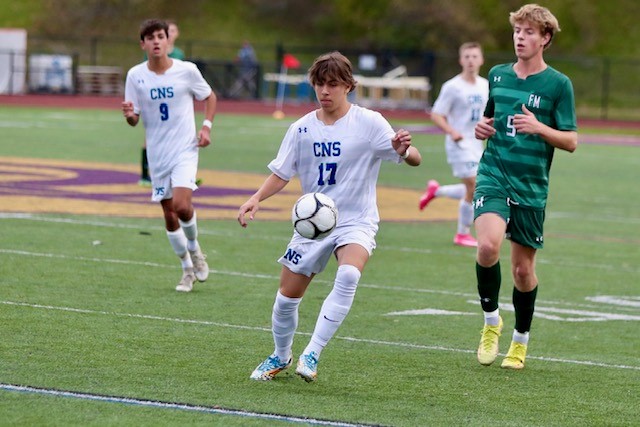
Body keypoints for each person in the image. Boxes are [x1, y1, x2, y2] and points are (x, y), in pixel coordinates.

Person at [237, 51, 421, 382]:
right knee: (284, 301)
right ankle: (280, 355)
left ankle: (313, 352)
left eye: (333, 84)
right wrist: (256, 197)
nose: (325, 91)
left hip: (355, 220)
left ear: (349, 86)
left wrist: (403, 148)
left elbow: (413, 158)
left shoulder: (369, 122)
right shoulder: (301, 128)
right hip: (313, 225)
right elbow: (282, 172)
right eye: (320, 84)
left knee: (349, 275)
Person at [473, 4, 577, 370]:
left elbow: (571, 141)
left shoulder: (558, 85)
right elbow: (487, 120)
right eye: (518, 30)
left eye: (530, 32)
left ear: (545, 39)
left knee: (522, 271)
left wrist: (540, 128)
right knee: (487, 246)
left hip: (531, 184)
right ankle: (490, 322)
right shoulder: (498, 76)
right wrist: (480, 129)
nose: (521, 37)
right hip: (494, 173)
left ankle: (520, 341)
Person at [122, 19, 217, 292]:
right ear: (143, 44)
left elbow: (210, 97)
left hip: (185, 149)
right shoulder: (135, 75)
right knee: (169, 214)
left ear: (167, 40)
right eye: (149, 37)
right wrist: (130, 116)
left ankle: (195, 249)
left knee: (182, 205)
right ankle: (187, 269)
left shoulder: (187, 71)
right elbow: (134, 117)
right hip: (157, 153)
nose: (155, 41)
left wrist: (206, 127)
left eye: (160, 36)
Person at [419, 42, 488, 248]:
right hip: (459, 144)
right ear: (460, 60)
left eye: (474, 56)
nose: (470, 60)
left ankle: (436, 191)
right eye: (466, 56)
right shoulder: (453, 86)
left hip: (478, 144)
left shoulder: (485, 85)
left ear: (481, 60)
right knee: (475, 186)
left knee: (476, 187)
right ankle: (462, 234)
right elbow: (437, 114)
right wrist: (452, 132)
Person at [139, 19, 185, 186]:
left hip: (173, 102)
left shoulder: (179, 54)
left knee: (179, 137)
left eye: (173, 31)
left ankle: (181, 176)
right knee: (149, 138)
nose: (171, 34)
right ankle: (145, 174)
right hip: (155, 100)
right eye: (169, 30)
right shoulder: (153, 51)